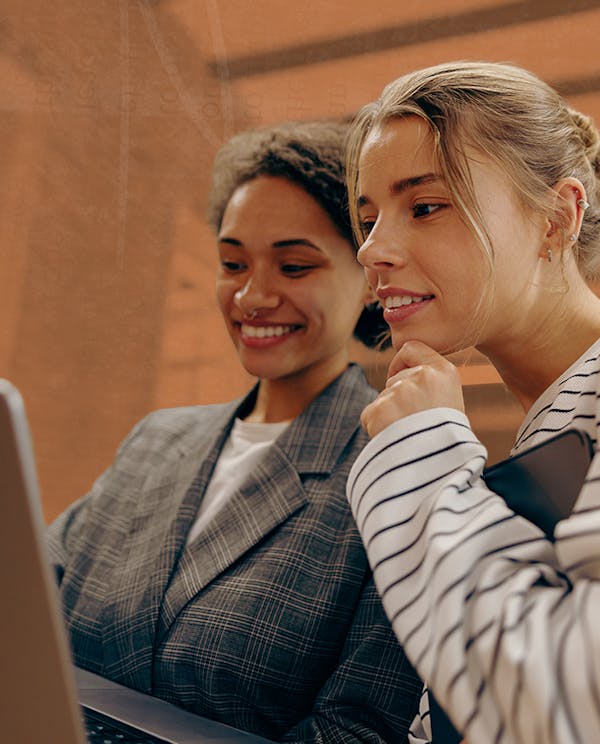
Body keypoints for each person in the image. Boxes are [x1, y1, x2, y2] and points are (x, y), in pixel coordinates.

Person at [47, 120, 422, 743]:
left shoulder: (395, 475)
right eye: (231, 263)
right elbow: (29, 601)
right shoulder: (155, 441)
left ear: (367, 280)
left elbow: (360, 730)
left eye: (294, 266)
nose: (252, 295)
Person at [343, 61, 600, 744]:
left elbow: (564, 706)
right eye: (368, 219)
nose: (373, 249)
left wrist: (420, 460)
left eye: (424, 206)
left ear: (557, 217)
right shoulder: (551, 431)